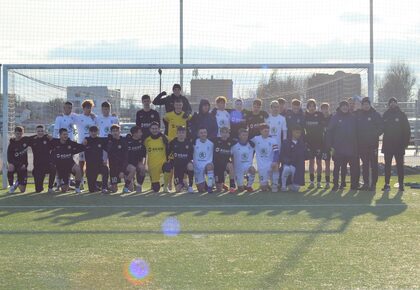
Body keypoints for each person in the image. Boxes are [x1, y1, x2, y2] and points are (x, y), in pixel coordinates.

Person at [326, 100, 358, 191]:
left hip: (351, 147)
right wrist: (330, 145)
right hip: (338, 147)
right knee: (337, 167)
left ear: (348, 107)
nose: (345, 107)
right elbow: (329, 132)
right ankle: (335, 184)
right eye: (343, 106)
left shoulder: (352, 117)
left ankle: (353, 185)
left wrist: (355, 146)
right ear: (340, 107)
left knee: (353, 168)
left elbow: (356, 132)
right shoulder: (335, 117)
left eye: (346, 106)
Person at [381, 97, 411, 192]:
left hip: (399, 145)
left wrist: (405, 144)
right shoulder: (385, 115)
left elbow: (407, 130)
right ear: (388, 104)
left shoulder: (402, 115)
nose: (392, 104)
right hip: (388, 145)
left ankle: (401, 184)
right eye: (391, 102)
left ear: (397, 103)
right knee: (387, 166)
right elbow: (380, 128)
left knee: (400, 166)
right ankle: (387, 184)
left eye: (394, 102)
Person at [356, 97, 383, 191]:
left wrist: (374, 135)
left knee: (374, 165)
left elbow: (381, 127)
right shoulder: (358, 115)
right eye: (364, 104)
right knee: (365, 165)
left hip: (373, 145)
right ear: (362, 105)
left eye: (367, 104)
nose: (366, 106)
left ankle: (373, 184)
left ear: (369, 104)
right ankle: (366, 183)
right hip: (362, 145)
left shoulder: (375, 115)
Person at [50, 128, 85, 193]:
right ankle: (62, 183)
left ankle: (77, 188)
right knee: (64, 190)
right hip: (61, 168)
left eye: (66, 134)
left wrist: (84, 143)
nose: (65, 136)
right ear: (60, 135)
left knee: (78, 169)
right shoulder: (55, 142)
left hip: (70, 164)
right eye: (64, 134)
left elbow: (80, 146)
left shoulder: (70, 143)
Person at [72, 99, 96, 186]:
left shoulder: (94, 118)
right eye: (87, 108)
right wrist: (61, 114)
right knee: (81, 163)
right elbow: (68, 115)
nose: (88, 109)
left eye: (90, 108)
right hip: (81, 144)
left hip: (92, 144)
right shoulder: (78, 117)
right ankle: (81, 181)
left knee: (90, 163)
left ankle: (91, 180)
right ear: (83, 108)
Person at [251, 124, 280, 192]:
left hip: (270, 163)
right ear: (260, 131)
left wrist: (275, 161)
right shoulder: (256, 139)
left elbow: (276, 152)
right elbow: (249, 136)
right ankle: (265, 184)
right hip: (261, 166)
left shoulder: (273, 140)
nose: (267, 133)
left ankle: (274, 185)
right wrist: (255, 127)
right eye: (265, 131)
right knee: (263, 188)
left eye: (267, 131)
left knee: (276, 165)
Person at [144, 122, 171, 192]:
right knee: (156, 189)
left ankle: (165, 186)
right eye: (153, 129)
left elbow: (173, 143)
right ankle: (157, 184)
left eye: (156, 128)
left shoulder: (164, 138)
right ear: (150, 129)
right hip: (153, 166)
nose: (154, 130)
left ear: (159, 129)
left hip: (163, 164)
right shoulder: (147, 140)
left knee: (168, 167)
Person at [28, 125, 56, 193]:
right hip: (38, 166)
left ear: (44, 131)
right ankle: (40, 187)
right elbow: (23, 141)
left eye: (42, 131)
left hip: (47, 164)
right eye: (39, 131)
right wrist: (13, 139)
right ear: (36, 132)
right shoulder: (32, 139)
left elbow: (56, 145)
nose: (40, 132)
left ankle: (50, 188)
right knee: (38, 190)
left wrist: (52, 139)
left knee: (53, 168)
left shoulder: (48, 138)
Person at [304, 99, 324, 189]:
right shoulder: (305, 116)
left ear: (316, 107)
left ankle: (319, 182)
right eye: (310, 106)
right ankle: (312, 182)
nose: (312, 108)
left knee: (319, 162)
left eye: (313, 106)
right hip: (309, 143)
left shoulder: (320, 115)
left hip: (319, 143)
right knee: (311, 162)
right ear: (307, 107)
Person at [83, 126, 110, 193]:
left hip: (99, 164)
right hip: (90, 166)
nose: (93, 133)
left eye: (95, 131)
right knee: (91, 190)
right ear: (89, 132)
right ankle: (97, 184)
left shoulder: (101, 140)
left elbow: (110, 139)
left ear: (98, 132)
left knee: (106, 169)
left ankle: (104, 187)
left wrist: (105, 160)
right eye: (92, 131)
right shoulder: (86, 140)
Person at [168, 126, 194, 193]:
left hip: (186, 167)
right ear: (177, 133)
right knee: (177, 190)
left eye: (183, 132)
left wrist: (190, 162)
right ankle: (184, 183)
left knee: (190, 165)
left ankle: (190, 186)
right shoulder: (173, 142)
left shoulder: (189, 143)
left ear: (185, 133)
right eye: (179, 132)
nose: (181, 134)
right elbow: (168, 153)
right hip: (177, 168)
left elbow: (191, 157)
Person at [280, 125, 306, 192]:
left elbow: (303, 157)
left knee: (296, 189)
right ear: (293, 132)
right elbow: (282, 155)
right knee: (286, 169)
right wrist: (288, 162)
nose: (298, 134)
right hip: (287, 164)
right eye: (297, 132)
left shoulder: (302, 143)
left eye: (300, 133)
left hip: (297, 166)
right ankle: (283, 186)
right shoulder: (286, 142)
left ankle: (292, 183)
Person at [105, 124, 129, 193]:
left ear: (119, 131)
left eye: (117, 131)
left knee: (131, 188)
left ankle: (128, 185)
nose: (115, 132)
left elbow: (126, 158)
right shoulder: (109, 142)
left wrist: (122, 171)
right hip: (113, 169)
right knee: (114, 190)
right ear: (111, 132)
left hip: (123, 166)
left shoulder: (124, 141)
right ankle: (108, 185)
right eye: (113, 131)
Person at [231, 128, 256, 192]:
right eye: (243, 135)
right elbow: (231, 156)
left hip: (248, 167)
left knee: (253, 170)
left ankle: (249, 186)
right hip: (238, 169)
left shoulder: (251, 145)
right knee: (240, 189)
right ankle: (241, 185)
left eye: (246, 135)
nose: (245, 136)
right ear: (239, 136)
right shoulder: (234, 146)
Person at [7, 126, 30, 193]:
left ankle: (17, 183)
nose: (19, 135)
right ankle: (11, 186)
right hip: (16, 164)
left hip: (23, 165)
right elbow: (9, 158)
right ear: (14, 133)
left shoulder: (26, 140)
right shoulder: (12, 144)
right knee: (10, 167)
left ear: (23, 133)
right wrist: (19, 164)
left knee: (22, 190)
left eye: (20, 133)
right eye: (17, 133)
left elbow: (35, 137)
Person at [212, 127, 236, 193]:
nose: (225, 134)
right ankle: (221, 184)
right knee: (219, 190)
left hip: (226, 163)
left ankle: (232, 185)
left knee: (230, 165)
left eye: (226, 132)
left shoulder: (231, 141)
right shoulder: (215, 140)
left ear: (229, 134)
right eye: (223, 132)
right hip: (217, 165)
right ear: (220, 133)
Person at [124, 126, 147, 193]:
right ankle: (125, 187)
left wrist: (142, 163)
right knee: (130, 189)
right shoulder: (127, 141)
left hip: (137, 162)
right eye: (140, 132)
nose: (141, 133)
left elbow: (143, 155)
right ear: (134, 133)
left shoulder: (142, 140)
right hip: (128, 164)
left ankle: (139, 186)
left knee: (142, 168)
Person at [193, 128, 215, 193]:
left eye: (205, 132)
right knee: (200, 190)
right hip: (197, 167)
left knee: (210, 165)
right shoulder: (194, 142)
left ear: (207, 133)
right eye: (201, 133)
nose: (203, 134)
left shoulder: (211, 144)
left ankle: (210, 186)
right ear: (198, 134)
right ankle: (205, 184)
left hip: (207, 166)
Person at [320, 102, 332, 189]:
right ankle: (318, 182)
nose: (325, 110)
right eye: (323, 108)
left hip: (330, 145)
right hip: (320, 144)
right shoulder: (319, 118)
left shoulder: (332, 118)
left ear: (329, 109)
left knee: (329, 164)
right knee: (319, 163)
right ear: (321, 110)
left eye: (326, 108)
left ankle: (328, 182)